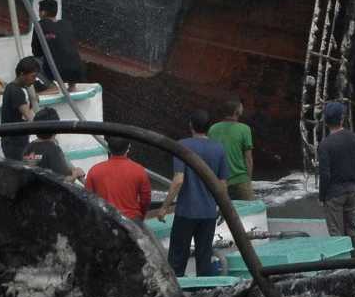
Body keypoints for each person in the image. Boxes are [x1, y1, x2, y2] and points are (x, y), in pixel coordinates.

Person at [157, 109, 229, 277]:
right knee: (204, 259)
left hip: (186, 212)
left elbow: (178, 180)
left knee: (177, 260)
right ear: (209, 128)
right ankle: (204, 295)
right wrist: (224, 208)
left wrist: (164, 207)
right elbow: (223, 184)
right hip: (209, 214)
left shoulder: (182, 145)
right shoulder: (219, 149)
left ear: (190, 125)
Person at [315, 101, 355, 255]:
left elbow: (325, 174)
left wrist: (322, 196)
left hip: (334, 194)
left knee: (336, 232)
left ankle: (342, 263)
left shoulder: (324, 145)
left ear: (325, 121)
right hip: (351, 190)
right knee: (352, 227)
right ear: (342, 119)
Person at [86, 136, 152, 223]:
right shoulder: (139, 170)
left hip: (105, 220)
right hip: (132, 219)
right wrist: (140, 217)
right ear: (128, 148)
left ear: (108, 148)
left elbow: (88, 198)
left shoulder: (94, 170)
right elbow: (146, 200)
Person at [31, 0, 84, 92]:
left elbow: (36, 52)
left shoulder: (40, 25)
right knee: (69, 55)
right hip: (77, 71)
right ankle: (72, 86)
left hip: (57, 72)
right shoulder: (67, 24)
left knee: (31, 61)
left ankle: (51, 86)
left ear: (42, 12)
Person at [208, 99, 256, 201]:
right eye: (241, 108)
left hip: (219, 180)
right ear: (236, 112)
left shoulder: (212, 129)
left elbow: (210, 154)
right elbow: (248, 158)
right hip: (240, 178)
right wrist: (249, 179)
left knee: (222, 211)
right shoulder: (244, 129)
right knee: (250, 207)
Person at [21, 108, 85, 182]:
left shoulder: (28, 147)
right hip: (48, 191)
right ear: (57, 128)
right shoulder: (53, 150)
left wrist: (71, 170)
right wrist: (76, 174)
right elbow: (64, 181)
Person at [0, 57, 42, 160]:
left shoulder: (21, 89)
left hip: (19, 140)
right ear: (22, 74)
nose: (34, 79)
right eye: (33, 76)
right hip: (14, 142)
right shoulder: (15, 91)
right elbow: (29, 116)